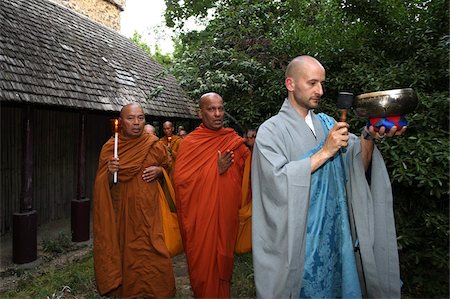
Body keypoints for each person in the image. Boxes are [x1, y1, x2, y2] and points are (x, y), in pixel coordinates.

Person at [252, 55, 405, 298]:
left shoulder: (328, 124)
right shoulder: (271, 132)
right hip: (300, 243)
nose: (320, 91)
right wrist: (324, 151)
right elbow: (275, 182)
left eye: (322, 84)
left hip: (336, 237)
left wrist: (370, 135)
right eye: (312, 83)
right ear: (290, 84)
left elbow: (356, 167)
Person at [93, 103, 175, 298]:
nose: (136, 123)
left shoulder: (154, 144)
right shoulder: (110, 148)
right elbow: (101, 185)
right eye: (131, 118)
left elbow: (171, 168)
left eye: (140, 118)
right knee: (126, 257)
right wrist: (109, 173)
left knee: (156, 254)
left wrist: (160, 172)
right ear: (121, 122)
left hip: (150, 215)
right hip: (124, 216)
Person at [173, 92, 250, 298]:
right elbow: (181, 183)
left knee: (222, 267)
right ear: (200, 113)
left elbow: (250, 174)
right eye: (211, 109)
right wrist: (214, 171)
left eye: (220, 108)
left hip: (225, 217)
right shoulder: (190, 143)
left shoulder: (233, 141)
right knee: (204, 270)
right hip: (201, 221)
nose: (217, 114)